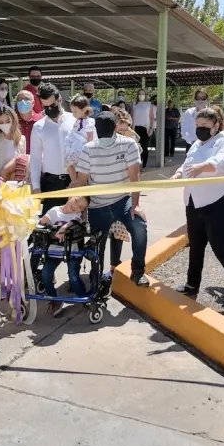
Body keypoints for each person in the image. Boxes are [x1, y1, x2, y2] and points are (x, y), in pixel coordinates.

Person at [171, 106, 224, 307]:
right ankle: (191, 284)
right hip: (195, 202)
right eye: (198, 125)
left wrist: (202, 167)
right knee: (195, 246)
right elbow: (188, 163)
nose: (201, 129)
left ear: (216, 125)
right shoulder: (197, 144)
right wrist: (179, 173)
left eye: (205, 125)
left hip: (221, 201)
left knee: (220, 245)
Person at [75, 111, 149, 287]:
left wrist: (136, 205)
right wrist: (82, 212)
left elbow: (134, 177)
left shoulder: (129, 145)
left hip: (122, 201)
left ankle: (138, 272)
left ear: (116, 128)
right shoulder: (88, 149)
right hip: (97, 205)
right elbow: (82, 182)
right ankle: (96, 277)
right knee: (96, 244)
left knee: (139, 227)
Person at [38, 196, 91, 317]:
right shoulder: (54, 211)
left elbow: (75, 222)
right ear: (70, 197)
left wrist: (64, 227)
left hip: (71, 251)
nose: (77, 207)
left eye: (81, 207)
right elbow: (41, 223)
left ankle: (85, 298)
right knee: (45, 274)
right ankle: (55, 300)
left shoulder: (75, 216)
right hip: (54, 250)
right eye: (76, 201)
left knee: (73, 277)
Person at [30, 83, 77, 213]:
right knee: (49, 226)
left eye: (53, 105)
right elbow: (35, 158)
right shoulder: (39, 127)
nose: (50, 109)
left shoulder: (75, 120)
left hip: (74, 181)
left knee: (75, 225)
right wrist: (36, 187)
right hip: (51, 184)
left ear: (59, 100)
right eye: (46, 107)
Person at [64, 95, 96, 181]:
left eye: (75, 111)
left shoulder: (89, 123)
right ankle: (74, 180)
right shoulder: (78, 121)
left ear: (85, 110)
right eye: (72, 112)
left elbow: (90, 138)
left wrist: (89, 152)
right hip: (74, 145)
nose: (73, 114)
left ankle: (79, 181)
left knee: (81, 166)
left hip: (81, 147)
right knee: (69, 164)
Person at [131, 88, 155, 168]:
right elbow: (131, 116)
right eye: (140, 94)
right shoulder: (134, 104)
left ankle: (144, 165)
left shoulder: (149, 104)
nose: (141, 95)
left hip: (145, 128)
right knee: (136, 147)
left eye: (143, 94)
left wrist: (151, 127)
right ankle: (138, 164)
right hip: (135, 128)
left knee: (144, 147)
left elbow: (151, 117)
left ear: (145, 95)